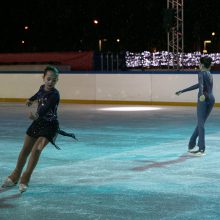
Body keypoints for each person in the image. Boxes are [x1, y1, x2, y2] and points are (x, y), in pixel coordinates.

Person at [1, 66, 77, 193]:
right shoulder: (42, 88)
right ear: (43, 78)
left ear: (57, 80)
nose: (50, 82)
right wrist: (31, 100)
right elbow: (38, 94)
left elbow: (45, 108)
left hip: (49, 126)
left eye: (54, 80)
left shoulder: (55, 95)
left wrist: (36, 115)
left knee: (36, 150)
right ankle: (15, 176)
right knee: (25, 150)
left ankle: (25, 179)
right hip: (37, 124)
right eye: (48, 79)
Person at [176, 56, 215, 156]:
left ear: (202, 64)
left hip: (203, 100)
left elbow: (201, 86)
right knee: (200, 123)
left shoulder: (201, 73)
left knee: (201, 125)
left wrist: (201, 94)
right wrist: (183, 90)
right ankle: (191, 144)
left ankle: (201, 149)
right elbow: (199, 84)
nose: (198, 65)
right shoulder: (209, 73)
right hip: (211, 99)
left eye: (199, 63)